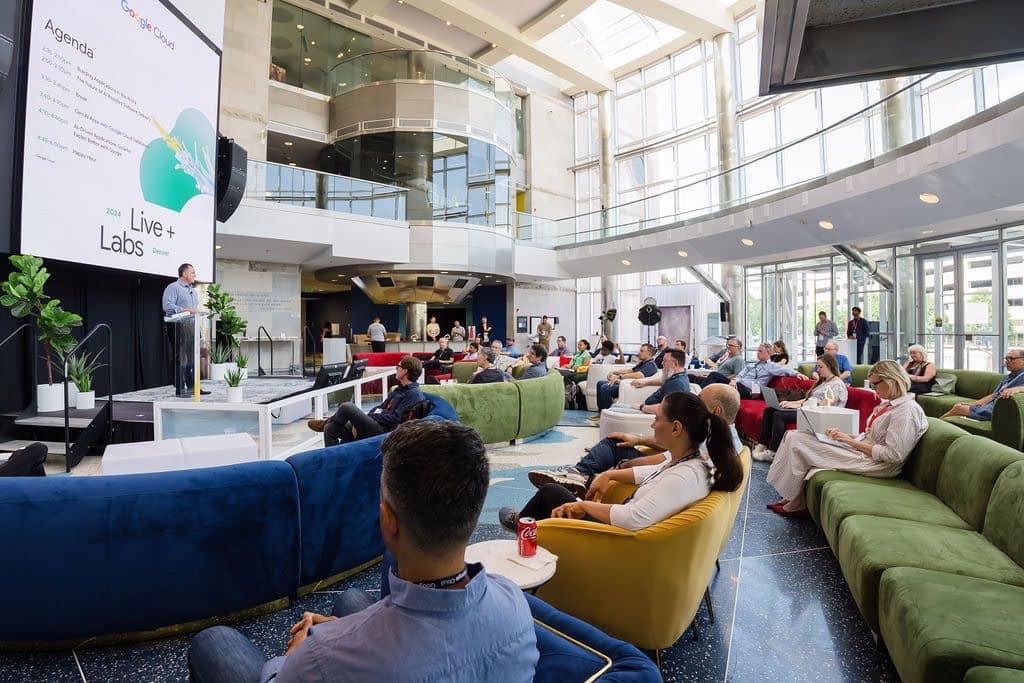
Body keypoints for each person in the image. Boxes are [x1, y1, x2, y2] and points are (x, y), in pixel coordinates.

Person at [189, 420, 538, 683]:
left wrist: (298, 654)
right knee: (354, 601)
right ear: (475, 511)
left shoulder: (320, 660)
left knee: (213, 641)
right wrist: (348, 630)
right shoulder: (514, 603)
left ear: (388, 522)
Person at [497, 391, 743, 532]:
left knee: (551, 493)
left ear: (676, 428)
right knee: (563, 491)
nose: (652, 424)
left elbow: (632, 518)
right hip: (623, 526)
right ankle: (530, 525)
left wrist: (585, 507)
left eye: (657, 419)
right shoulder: (691, 461)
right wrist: (609, 475)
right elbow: (648, 473)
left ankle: (523, 527)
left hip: (616, 540)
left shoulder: (684, 475)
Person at [766, 360, 927, 517]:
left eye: (875, 384)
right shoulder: (890, 404)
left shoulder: (906, 412)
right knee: (794, 434)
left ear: (891, 381)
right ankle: (792, 496)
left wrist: (850, 441)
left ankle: (795, 500)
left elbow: (893, 455)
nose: (873, 389)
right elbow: (870, 436)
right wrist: (844, 436)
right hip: (865, 451)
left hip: (877, 464)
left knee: (798, 441)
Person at [529, 384, 743, 497]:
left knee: (612, 448)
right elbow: (676, 446)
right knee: (618, 442)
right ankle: (579, 475)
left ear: (715, 411)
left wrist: (623, 467)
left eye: (700, 404)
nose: (695, 408)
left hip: (653, 473)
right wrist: (637, 439)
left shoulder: (710, 447)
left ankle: (579, 477)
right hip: (658, 467)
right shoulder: (722, 438)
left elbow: (667, 460)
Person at [307, 356, 424, 446]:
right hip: (376, 424)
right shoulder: (399, 389)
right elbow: (380, 407)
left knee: (347, 407)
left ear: (405, 371)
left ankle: (324, 423)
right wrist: (359, 421)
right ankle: (332, 460)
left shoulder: (413, 394)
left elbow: (395, 419)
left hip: (383, 431)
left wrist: (369, 418)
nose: (396, 369)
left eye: (398, 367)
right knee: (331, 428)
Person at [752, 354, 848, 463]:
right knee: (769, 410)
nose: (818, 370)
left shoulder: (837, 384)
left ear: (830, 366)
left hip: (819, 415)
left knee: (779, 415)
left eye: (820, 367)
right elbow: (809, 398)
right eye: (817, 366)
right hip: (810, 410)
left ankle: (774, 452)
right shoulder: (823, 382)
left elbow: (824, 404)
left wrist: (799, 405)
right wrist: (792, 403)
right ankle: (762, 444)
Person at [162, 263, 209, 396]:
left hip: (191, 326)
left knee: (192, 357)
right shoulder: (173, 287)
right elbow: (167, 306)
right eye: (193, 272)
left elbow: (194, 312)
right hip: (177, 326)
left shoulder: (193, 291)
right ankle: (180, 387)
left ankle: (193, 387)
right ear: (184, 274)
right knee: (180, 356)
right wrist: (187, 310)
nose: (195, 275)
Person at [941, 348, 1024, 421]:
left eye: (1011, 358)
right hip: (989, 406)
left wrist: (1018, 389)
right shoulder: (1008, 377)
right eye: (1006, 358)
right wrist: (973, 404)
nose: (1007, 362)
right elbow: (993, 395)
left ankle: (936, 424)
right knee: (959, 405)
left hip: (998, 410)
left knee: (958, 408)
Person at [604, 349, 690, 416]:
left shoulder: (677, 384)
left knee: (611, 411)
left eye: (665, 361)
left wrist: (641, 407)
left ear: (675, 364)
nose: (662, 363)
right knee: (614, 407)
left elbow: (665, 409)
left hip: (649, 414)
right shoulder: (677, 377)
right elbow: (661, 381)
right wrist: (645, 383)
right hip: (647, 409)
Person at [707, 343, 799, 400]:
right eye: (757, 351)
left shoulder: (771, 366)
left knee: (714, 376)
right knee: (707, 378)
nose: (757, 353)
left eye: (760, 351)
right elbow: (740, 375)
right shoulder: (751, 365)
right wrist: (734, 380)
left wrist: (798, 374)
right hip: (738, 385)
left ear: (768, 353)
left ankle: (701, 400)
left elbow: (786, 370)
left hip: (750, 391)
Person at [593, 343, 659, 413]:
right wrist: (614, 372)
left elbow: (639, 375)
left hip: (632, 387)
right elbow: (629, 370)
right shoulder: (643, 363)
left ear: (649, 353)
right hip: (627, 384)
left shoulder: (651, 364)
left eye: (642, 351)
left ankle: (606, 413)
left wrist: (620, 377)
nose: (639, 353)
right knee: (600, 383)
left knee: (605, 387)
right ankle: (600, 412)